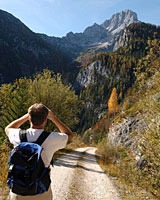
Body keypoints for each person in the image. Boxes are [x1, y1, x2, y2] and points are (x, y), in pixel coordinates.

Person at [5, 103, 73, 200]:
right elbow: (69, 135)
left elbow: (7, 128)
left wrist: (25, 117)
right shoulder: (52, 138)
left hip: (18, 190)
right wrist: (54, 118)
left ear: (29, 118)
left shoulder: (17, 135)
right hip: (40, 190)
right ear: (45, 120)